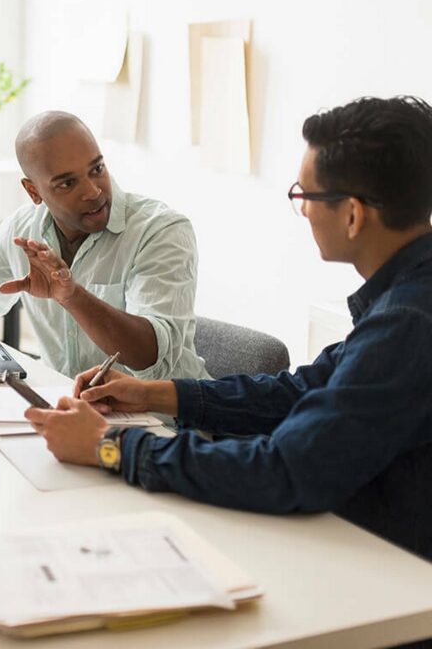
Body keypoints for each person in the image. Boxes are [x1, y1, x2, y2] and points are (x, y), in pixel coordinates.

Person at [26, 96, 432, 563]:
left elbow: (284, 471)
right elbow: (303, 391)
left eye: (303, 196)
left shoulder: (406, 325)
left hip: (390, 579)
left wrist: (108, 446)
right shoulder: (405, 301)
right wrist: (153, 394)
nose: (302, 213)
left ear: (354, 215)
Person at [0, 110, 209, 380]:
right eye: (67, 183)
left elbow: (150, 358)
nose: (92, 191)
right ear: (33, 191)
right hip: (74, 413)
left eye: (97, 169)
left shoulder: (160, 231)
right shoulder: (23, 229)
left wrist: (71, 295)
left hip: (162, 427)